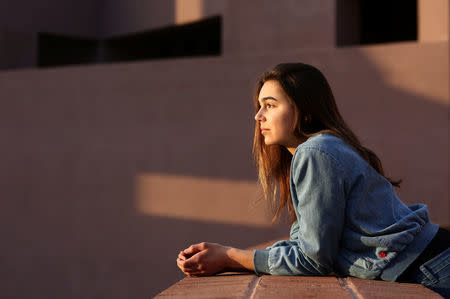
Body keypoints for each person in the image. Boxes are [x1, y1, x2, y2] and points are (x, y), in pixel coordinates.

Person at [176, 63, 450, 297]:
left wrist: (229, 256)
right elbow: (307, 245)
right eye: (260, 106)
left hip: (433, 266)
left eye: (270, 105)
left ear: (305, 111)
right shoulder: (325, 148)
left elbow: (313, 259)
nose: (258, 116)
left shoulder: (315, 152)